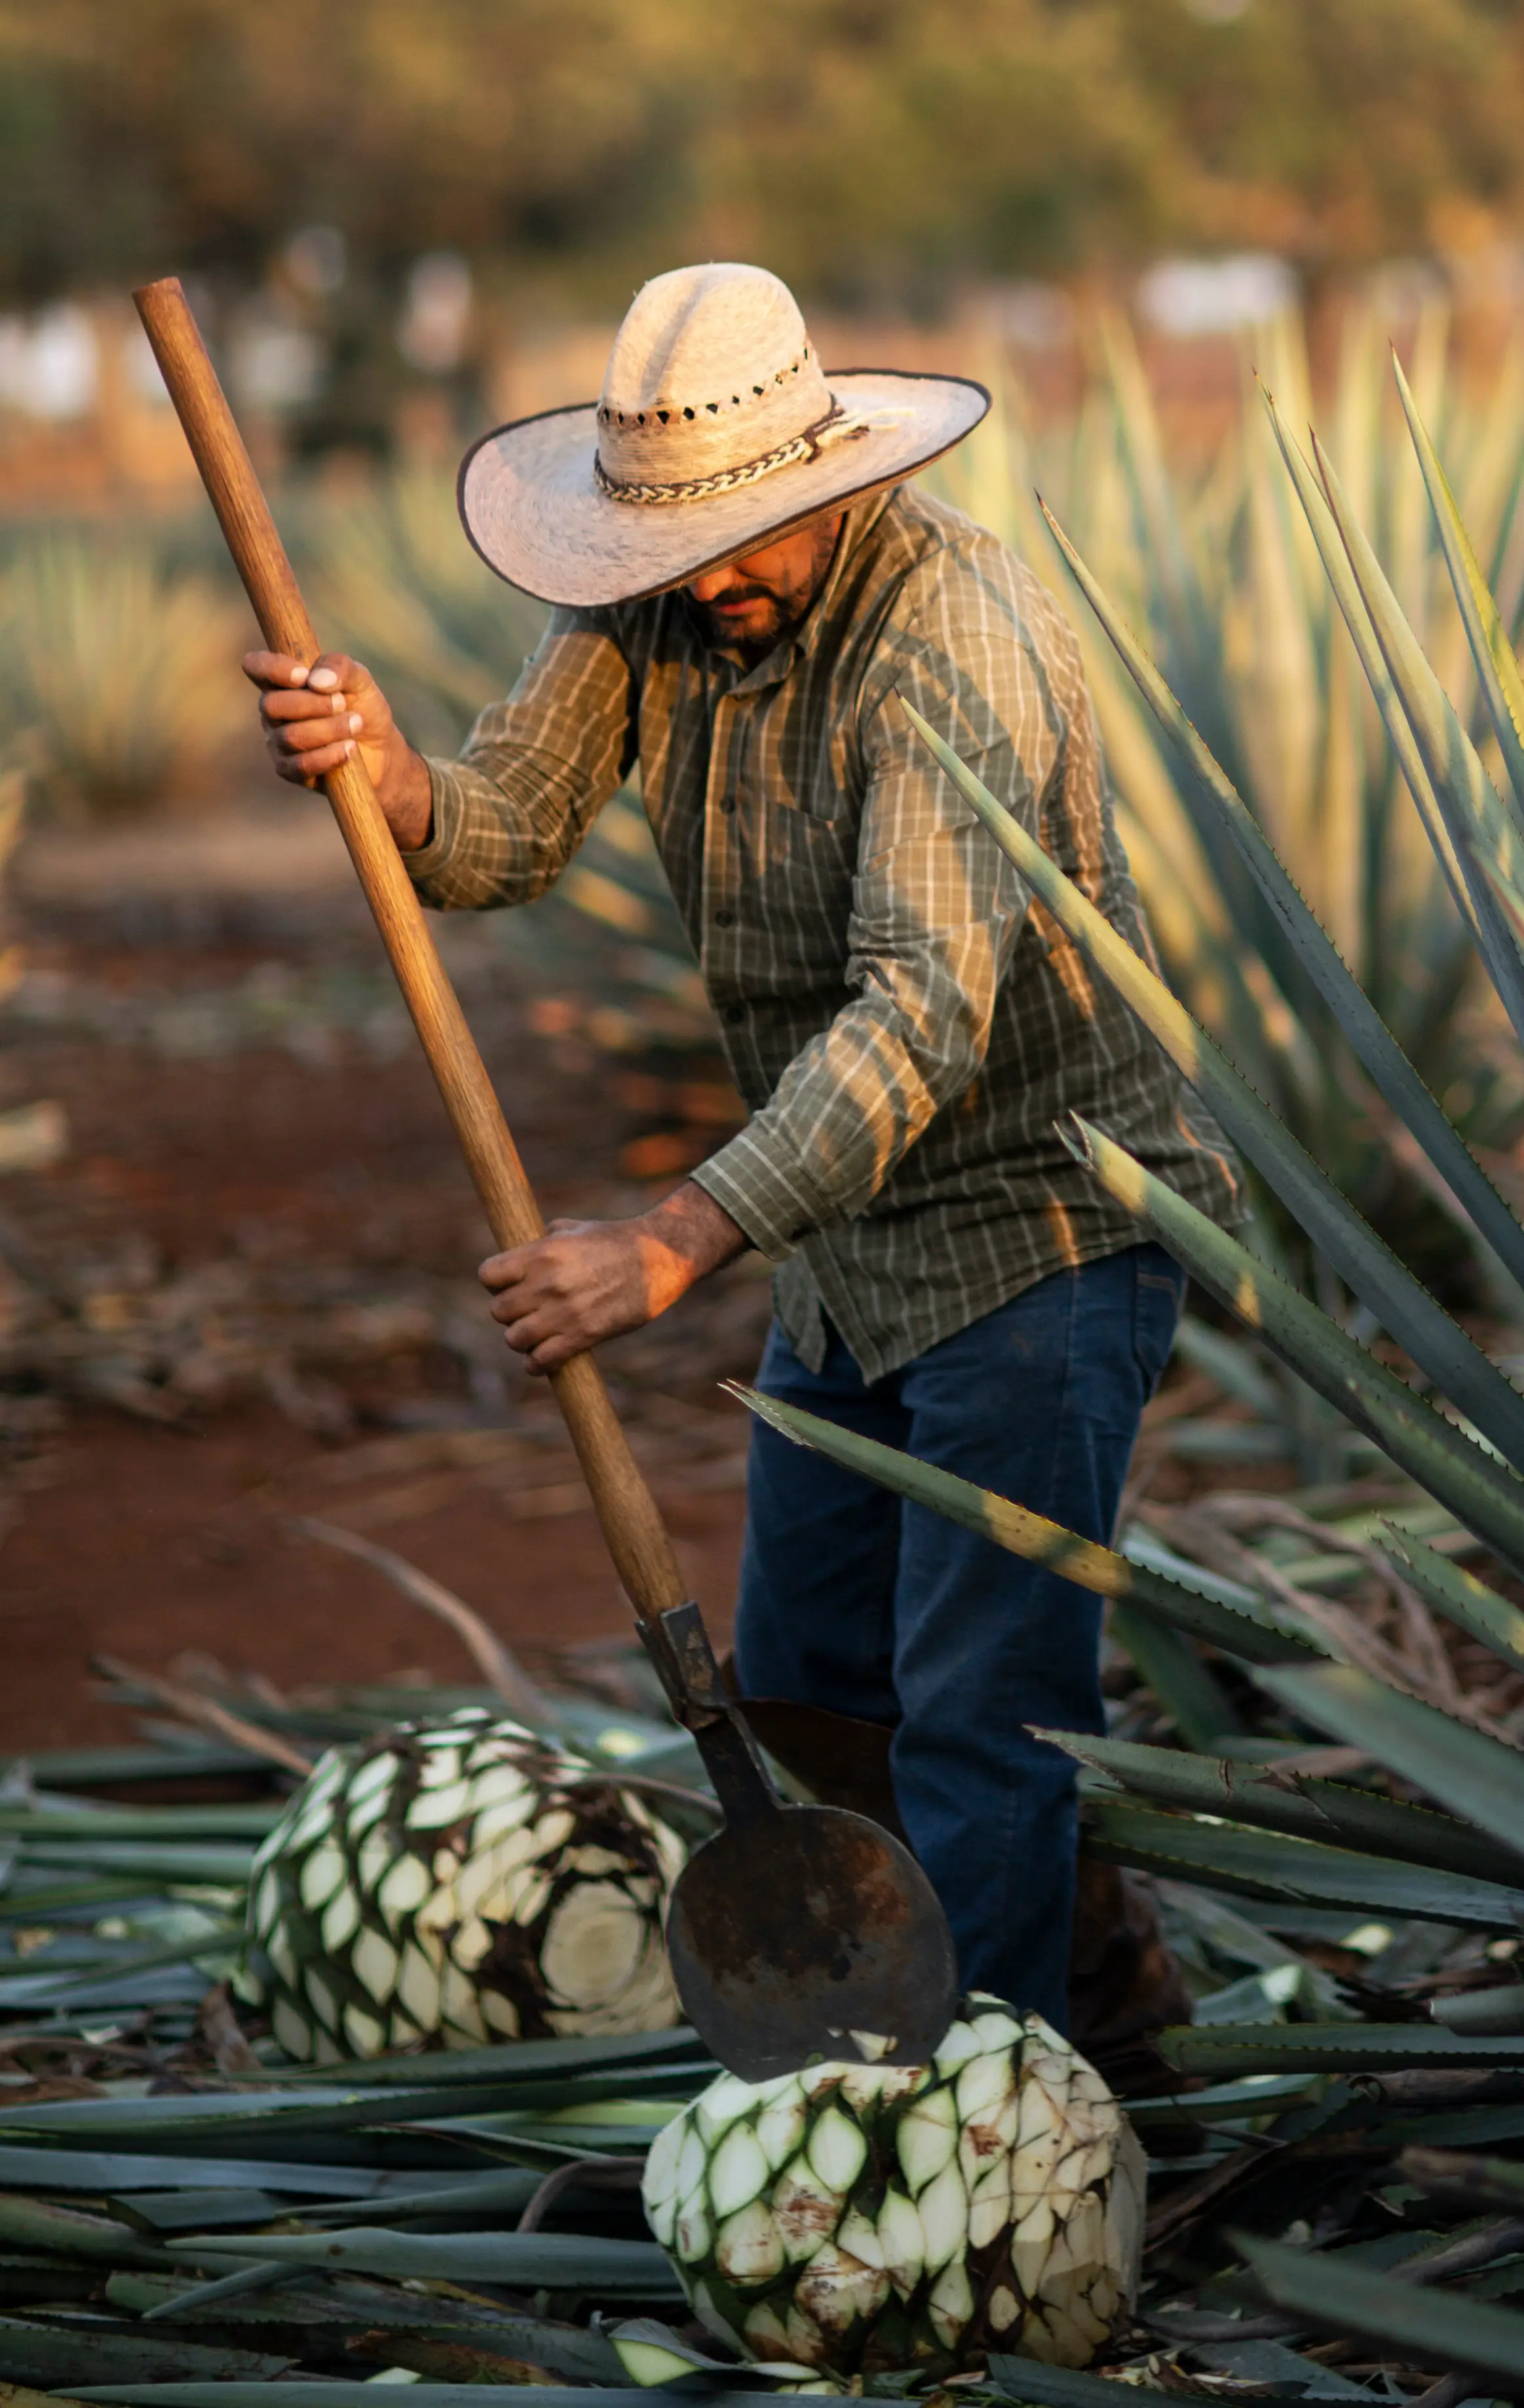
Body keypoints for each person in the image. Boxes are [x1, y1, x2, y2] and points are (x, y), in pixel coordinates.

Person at [242, 263, 1241, 2035]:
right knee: (808, 1689)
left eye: (749, 538)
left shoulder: (952, 639)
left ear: (835, 476)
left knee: (975, 1714)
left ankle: (979, 2120)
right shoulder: (659, 596)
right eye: (677, 547)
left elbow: (921, 1015)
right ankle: (1081, 2009)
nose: (714, 578)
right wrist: (386, 774)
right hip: (849, 1249)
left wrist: (675, 1240)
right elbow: (502, 830)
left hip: (1038, 1233)